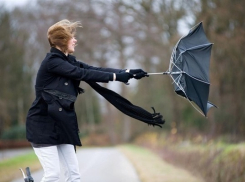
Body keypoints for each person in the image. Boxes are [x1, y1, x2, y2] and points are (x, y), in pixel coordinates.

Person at [25, 19, 147, 182]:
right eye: (71, 37)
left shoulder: (69, 61)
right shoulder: (52, 63)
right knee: (53, 175)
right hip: (42, 125)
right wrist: (116, 76)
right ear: (62, 40)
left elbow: (93, 69)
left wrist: (127, 72)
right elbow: (82, 74)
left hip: (62, 124)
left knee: (74, 176)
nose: (75, 40)